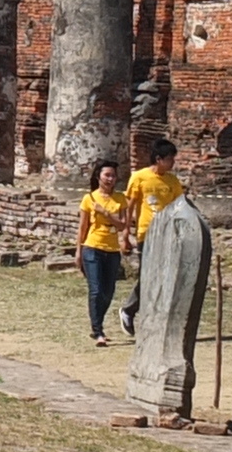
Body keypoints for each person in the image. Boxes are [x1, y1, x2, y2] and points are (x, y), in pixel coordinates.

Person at [119, 138, 185, 336]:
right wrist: (125, 234)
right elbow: (129, 207)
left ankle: (157, 317)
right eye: (170, 159)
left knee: (166, 276)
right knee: (148, 276)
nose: (172, 163)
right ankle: (130, 310)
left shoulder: (172, 181)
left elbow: (180, 207)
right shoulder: (139, 177)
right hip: (146, 234)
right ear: (158, 159)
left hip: (169, 235)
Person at [75, 161, 129, 346]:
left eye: (113, 175)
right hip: (92, 247)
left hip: (112, 250)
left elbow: (123, 225)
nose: (110, 179)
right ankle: (97, 330)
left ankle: (98, 323)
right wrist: (78, 251)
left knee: (108, 292)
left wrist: (105, 212)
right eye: (107, 175)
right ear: (98, 177)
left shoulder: (120, 198)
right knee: (96, 290)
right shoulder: (89, 198)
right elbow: (82, 228)